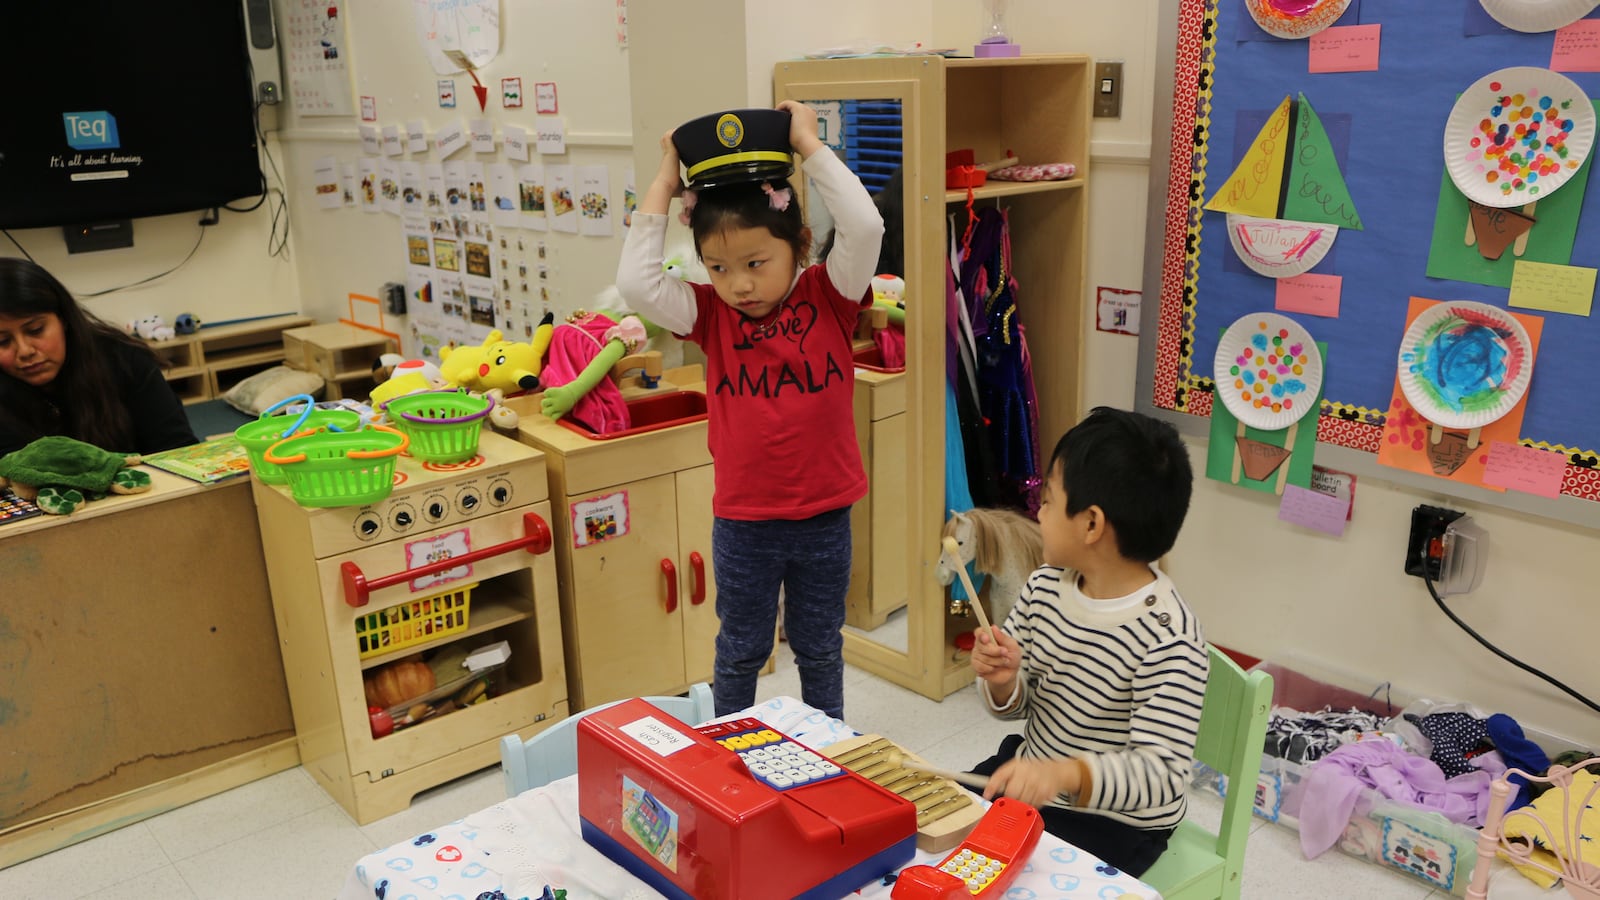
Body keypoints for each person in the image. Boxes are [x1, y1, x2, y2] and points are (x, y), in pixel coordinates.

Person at [617, 101, 885, 719]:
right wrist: (664, 179)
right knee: (740, 651)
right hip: (744, 522)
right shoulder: (710, 314)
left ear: (800, 244)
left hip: (824, 516)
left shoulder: (832, 293)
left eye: (756, 264)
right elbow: (638, 285)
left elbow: (865, 228)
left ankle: (829, 754)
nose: (739, 284)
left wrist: (808, 146)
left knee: (820, 649)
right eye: (719, 267)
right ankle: (724, 759)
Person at [968, 406, 1208, 876]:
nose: (1039, 511)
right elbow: (1017, 707)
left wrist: (1065, 774)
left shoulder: (1170, 638)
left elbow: (1161, 775)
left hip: (1116, 821)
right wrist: (1003, 681)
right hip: (1034, 773)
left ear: (1092, 524)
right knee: (944, 835)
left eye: (1050, 500)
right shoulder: (1045, 587)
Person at [0, 258, 197, 458]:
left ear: (64, 319)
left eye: (36, 330)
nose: (25, 351)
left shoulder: (124, 359)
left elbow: (178, 451)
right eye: (2, 341)